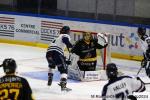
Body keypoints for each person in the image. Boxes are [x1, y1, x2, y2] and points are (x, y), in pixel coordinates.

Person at [46, 26, 72, 91]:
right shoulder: (65, 35)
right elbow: (65, 40)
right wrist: (70, 47)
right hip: (57, 52)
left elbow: (57, 56)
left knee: (52, 65)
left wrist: (65, 60)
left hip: (48, 53)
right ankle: (63, 86)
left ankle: (50, 76)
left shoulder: (56, 38)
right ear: (67, 31)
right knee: (64, 70)